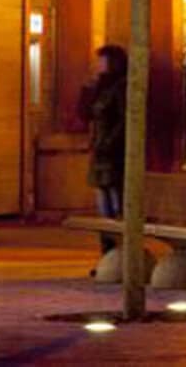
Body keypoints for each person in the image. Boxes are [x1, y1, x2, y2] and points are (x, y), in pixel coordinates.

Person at [77, 45, 127, 256]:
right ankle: (107, 252)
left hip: (114, 154)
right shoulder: (101, 88)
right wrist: (88, 89)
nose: (97, 65)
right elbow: (84, 114)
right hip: (99, 153)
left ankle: (119, 253)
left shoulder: (121, 87)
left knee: (116, 204)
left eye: (101, 61)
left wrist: (110, 143)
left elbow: (124, 119)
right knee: (103, 205)